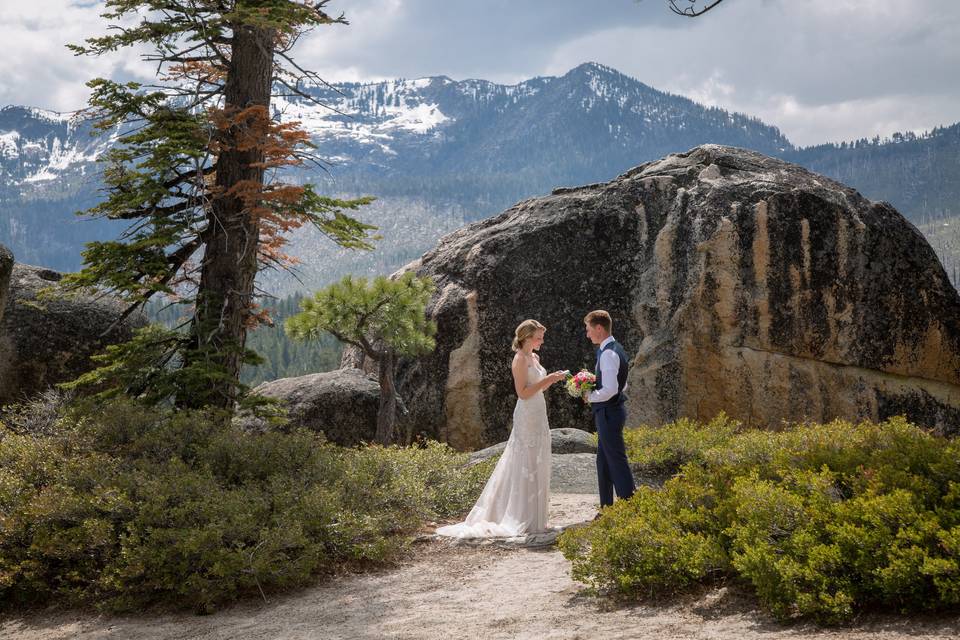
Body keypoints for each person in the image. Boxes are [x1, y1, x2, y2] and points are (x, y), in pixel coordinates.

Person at [436, 319, 567, 538]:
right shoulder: (519, 359)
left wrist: (552, 380)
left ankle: (537, 520)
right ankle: (519, 516)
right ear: (526, 337)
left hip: (538, 412)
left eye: (542, 337)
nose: (541, 341)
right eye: (538, 337)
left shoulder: (535, 357)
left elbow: (536, 389)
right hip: (526, 414)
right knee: (524, 461)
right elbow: (523, 393)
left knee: (538, 460)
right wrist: (549, 379)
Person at [583, 310, 635, 511]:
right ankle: (607, 509)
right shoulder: (616, 349)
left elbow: (612, 390)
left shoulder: (608, 354)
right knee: (603, 462)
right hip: (610, 412)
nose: (588, 335)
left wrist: (590, 396)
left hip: (608, 413)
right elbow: (623, 386)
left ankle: (631, 508)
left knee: (616, 460)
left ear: (599, 328)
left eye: (589, 330)